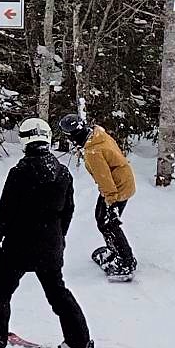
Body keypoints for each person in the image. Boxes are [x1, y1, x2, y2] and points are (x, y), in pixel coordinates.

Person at [0, 117, 97, 348]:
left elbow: (7, 210)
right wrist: (58, 238)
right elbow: (68, 210)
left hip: (18, 244)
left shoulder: (19, 172)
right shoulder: (62, 173)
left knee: (1, 292)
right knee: (57, 293)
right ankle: (79, 341)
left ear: (25, 140)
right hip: (49, 244)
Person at [55, 112, 137, 279]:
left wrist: (112, 203)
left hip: (117, 187)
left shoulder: (93, 151)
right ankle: (114, 251)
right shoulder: (97, 134)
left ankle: (126, 262)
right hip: (121, 181)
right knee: (101, 219)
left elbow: (104, 178)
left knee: (109, 224)